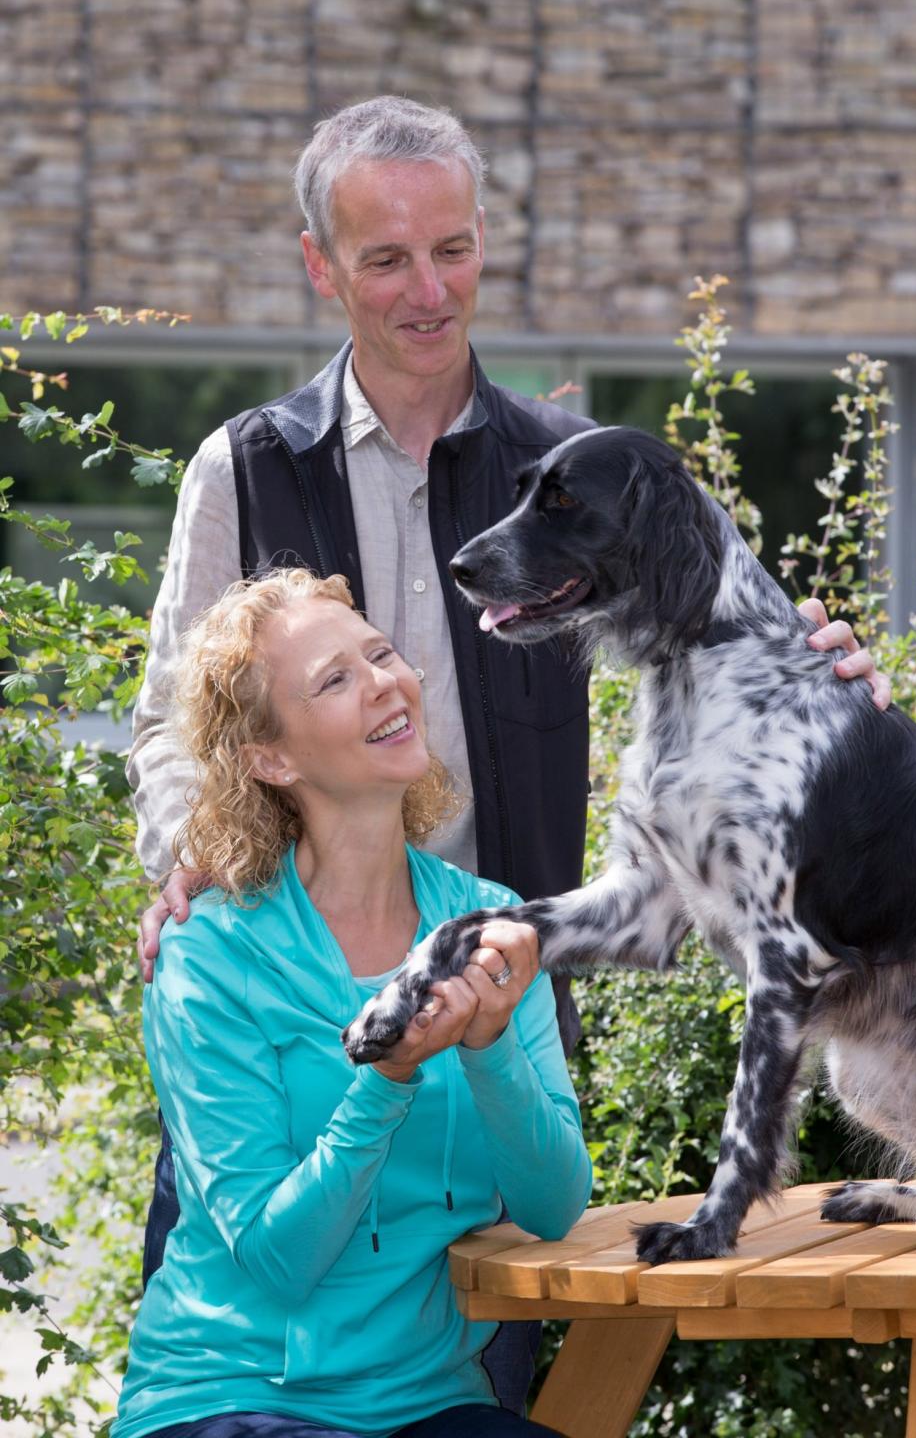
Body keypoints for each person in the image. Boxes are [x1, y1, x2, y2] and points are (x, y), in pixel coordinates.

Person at [126, 95, 889, 1407]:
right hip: (296, 1030)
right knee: (258, 1363)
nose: (431, 292)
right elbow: (174, 729)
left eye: (456, 250)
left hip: (495, 1042)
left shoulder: (580, 471)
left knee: (462, 1398)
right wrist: (189, 862)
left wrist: (825, 685)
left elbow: (734, 656)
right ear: (322, 267)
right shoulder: (245, 470)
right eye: (385, 259)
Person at [113, 567, 591, 1438]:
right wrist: (388, 1076)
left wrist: (489, 1048)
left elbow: (554, 1207)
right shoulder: (209, 954)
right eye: (335, 679)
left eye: (380, 653)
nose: (385, 682)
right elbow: (275, 1258)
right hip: (232, 1394)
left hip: (427, 1402)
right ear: (271, 758)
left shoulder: (486, 921)